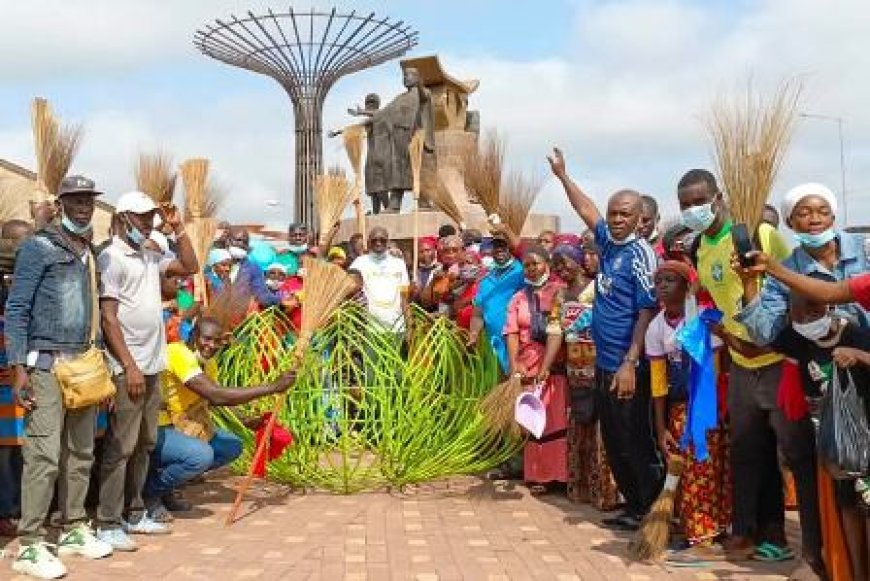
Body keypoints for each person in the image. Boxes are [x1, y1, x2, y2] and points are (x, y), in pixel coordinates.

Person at [676, 168, 792, 560]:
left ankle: (779, 536)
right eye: (685, 205)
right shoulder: (700, 247)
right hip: (740, 361)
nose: (693, 209)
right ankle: (745, 532)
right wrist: (725, 340)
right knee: (746, 448)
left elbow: (793, 281)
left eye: (699, 201)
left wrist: (774, 334)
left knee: (788, 451)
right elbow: (715, 299)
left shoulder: (758, 233)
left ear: (719, 198)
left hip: (777, 359)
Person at [6, 176, 115, 579]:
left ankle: (72, 527)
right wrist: (19, 368)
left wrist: (104, 363)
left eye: (89, 200)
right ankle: (30, 543)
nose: (84, 206)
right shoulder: (38, 247)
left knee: (80, 452)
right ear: (61, 204)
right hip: (47, 365)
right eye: (76, 200)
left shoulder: (88, 251)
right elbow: (17, 309)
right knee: (43, 455)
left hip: (83, 365)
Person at [549, 148, 662, 531]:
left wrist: (630, 362)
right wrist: (563, 176)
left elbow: (647, 310)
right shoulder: (609, 244)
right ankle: (633, 505)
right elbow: (586, 210)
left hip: (629, 366)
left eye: (624, 214)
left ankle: (651, 510)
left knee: (635, 439)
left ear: (639, 219)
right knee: (614, 439)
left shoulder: (641, 255)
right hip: (604, 361)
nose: (615, 219)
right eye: (613, 213)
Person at [96, 192, 199, 550]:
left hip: (153, 363)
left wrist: (179, 229)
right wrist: (129, 365)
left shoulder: (150, 254)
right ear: (122, 218)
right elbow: (109, 318)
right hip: (130, 366)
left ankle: (134, 512)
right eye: (140, 217)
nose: (146, 223)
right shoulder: (111, 258)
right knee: (121, 446)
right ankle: (107, 522)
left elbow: (190, 267)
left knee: (144, 443)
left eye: (149, 217)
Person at [144, 317, 296, 520]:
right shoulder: (178, 353)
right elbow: (216, 395)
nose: (212, 346)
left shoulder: (208, 363)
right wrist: (272, 387)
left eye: (217, 341)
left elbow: (211, 400)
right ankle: (151, 492)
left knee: (231, 446)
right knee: (201, 456)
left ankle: (168, 486)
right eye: (206, 339)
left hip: (184, 426)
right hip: (160, 428)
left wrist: (246, 420)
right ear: (193, 335)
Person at [646, 260, 730, 548]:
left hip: (706, 404)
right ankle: (694, 527)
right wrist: (661, 428)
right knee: (686, 468)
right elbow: (658, 383)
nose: (663, 286)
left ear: (686, 287)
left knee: (707, 467)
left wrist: (714, 409)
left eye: (670, 280)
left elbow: (716, 368)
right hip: (679, 407)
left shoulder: (704, 317)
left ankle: (708, 529)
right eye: (659, 281)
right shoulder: (656, 327)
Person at [736, 183, 868, 346]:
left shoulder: (865, 249)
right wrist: (748, 281)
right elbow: (763, 334)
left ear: (833, 218)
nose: (815, 220)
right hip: (828, 357)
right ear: (789, 222)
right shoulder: (784, 274)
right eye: (804, 214)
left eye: (824, 213)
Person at [548, 243, 619, 510]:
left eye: (564, 262)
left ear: (578, 261)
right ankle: (581, 489)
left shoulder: (598, 289)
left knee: (602, 429)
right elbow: (555, 331)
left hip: (600, 366)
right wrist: (545, 366)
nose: (560, 268)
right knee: (580, 426)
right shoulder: (560, 295)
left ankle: (606, 493)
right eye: (556, 265)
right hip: (574, 371)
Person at [504, 246, 566, 493]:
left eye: (536, 264)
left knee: (555, 418)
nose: (531, 269)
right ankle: (538, 475)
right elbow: (511, 332)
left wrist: (547, 365)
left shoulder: (559, 292)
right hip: (527, 363)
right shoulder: (518, 297)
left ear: (547, 265)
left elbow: (558, 329)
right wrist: (514, 363)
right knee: (532, 419)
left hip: (554, 363)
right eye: (527, 265)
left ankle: (559, 475)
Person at [0, 220, 33, 538]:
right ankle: (7, 511)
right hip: (6, 378)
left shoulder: (27, 276)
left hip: (20, 378)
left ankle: (20, 508)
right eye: (22, 241)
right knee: (5, 453)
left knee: (21, 449)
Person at [467, 235, 525, 374]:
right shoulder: (486, 277)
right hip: (492, 343)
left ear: (510, 248)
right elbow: (478, 311)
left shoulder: (521, 272)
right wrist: (474, 333)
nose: (499, 249)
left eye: (503, 246)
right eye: (496, 246)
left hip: (517, 343)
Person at [348, 227, 410, 333]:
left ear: (388, 241)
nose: (378, 243)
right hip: (370, 330)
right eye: (374, 240)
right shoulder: (360, 262)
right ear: (369, 242)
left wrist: (409, 325)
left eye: (382, 240)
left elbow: (404, 297)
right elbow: (349, 287)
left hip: (397, 328)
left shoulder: (399, 263)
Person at [226, 227, 280, 309]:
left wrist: (280, 300)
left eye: (245, 242)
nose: (241, 244)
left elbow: (261, 294)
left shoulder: (253, 268)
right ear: (228, 241)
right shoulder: (214, 262)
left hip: (238, 312)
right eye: (238, 240)